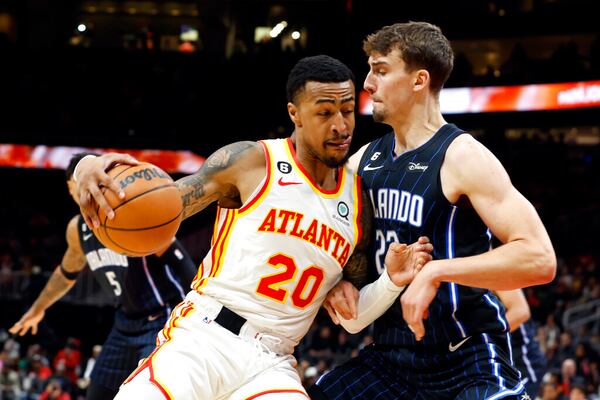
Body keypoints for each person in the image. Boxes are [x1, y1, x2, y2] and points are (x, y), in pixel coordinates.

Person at [71, 55, 433, 399]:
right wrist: (87, 164)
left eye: (348, 110)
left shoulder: (358, 204)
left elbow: (352, 320)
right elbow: (164, 202)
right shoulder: (251, 162)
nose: (341, 125)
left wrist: (390, 281)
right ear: (295, 114)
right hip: (203, 338)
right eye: (325, 112)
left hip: (272, 363)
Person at [313, 21, 556, 399]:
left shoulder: (462, 156)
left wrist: (438, 272)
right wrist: (340, 278)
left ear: (418, 80)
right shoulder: (364, 161)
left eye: (380, 70)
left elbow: (540, 258)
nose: (368, 84)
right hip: (391, 357)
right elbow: (330, 234)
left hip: (466, 356)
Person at [10, 153, 197, 400]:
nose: (77, 191)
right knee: (96, 393)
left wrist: (198, 312)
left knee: (154, 392)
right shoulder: (77, 229)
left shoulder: (130, 210)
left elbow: (183, 265)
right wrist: (38, 309)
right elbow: (65, 274)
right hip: (124, 323)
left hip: (161, 317)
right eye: (72, 188)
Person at [496, 289, 548, 398]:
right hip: (505, 362)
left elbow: (521, 311)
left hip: (525, 361)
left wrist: (485, 333)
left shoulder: (493, 274)